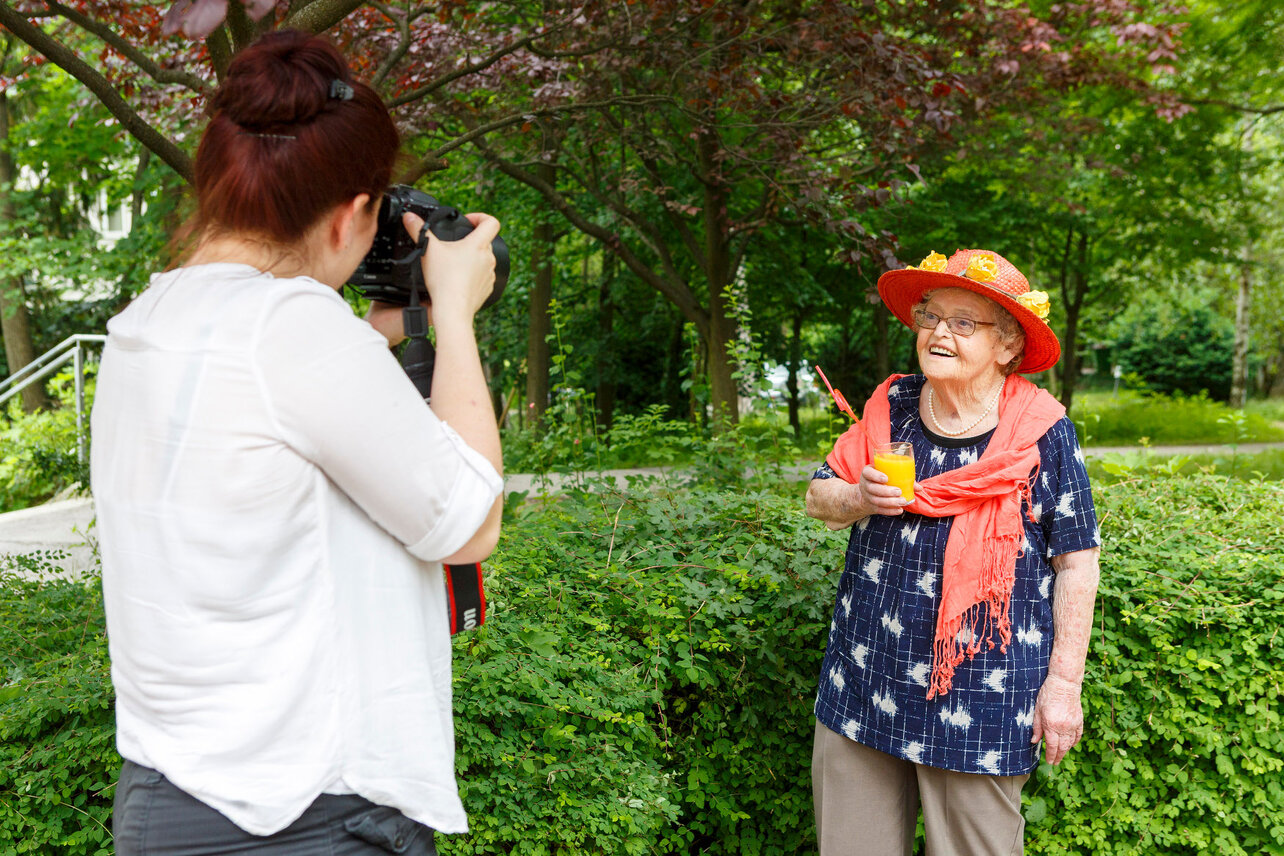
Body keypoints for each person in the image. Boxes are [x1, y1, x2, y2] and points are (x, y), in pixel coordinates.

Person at [90, 30, 504, 855]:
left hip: (168, 799)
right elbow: (469, 525)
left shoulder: (148, 324)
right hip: (303, 813)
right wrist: (451, 315)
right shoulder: (294, 331)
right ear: (354, 211)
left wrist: (382, 338)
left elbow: (267, 424)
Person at [805, 249, 1101, 856]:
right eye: (931, 316)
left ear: (1008, 346)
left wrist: (1064, 683)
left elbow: (1076, 561)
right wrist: (860, 495)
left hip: (983, 692)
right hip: (867, 675)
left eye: (964, 323)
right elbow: (818, 496)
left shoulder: (1042, 432)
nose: (939, 332)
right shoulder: (890, 406)